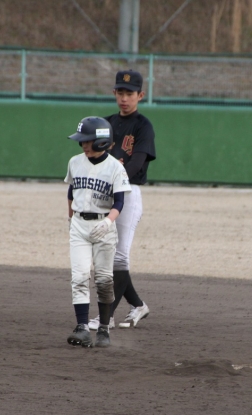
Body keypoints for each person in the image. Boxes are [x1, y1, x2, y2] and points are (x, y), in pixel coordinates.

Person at [87, 69, 156, 330]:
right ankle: (138, 305)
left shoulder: (143, 126)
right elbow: (91, 156)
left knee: (119, 258)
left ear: (141, 95)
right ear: (114, 92)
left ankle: (106, 317)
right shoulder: (104, 124)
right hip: (103, 195)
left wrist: (112, 174)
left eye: (130, 93)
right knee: (105, 258)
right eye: (121, 92)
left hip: (128, 194)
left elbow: (137, 163)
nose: (124, 98)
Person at [64, 116, 131, 348]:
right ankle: (82, 328)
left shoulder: (115, 167)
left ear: (101, 142)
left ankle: (103, 328)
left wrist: (109, 222)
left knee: (103, 280)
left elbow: (119, 202)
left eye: (88, 141)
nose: (83, 145)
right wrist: (70, 219)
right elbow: (71, 194)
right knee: (79, 276)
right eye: (82, 141)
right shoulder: (75, 162)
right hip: (79, 225)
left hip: (104, 226)